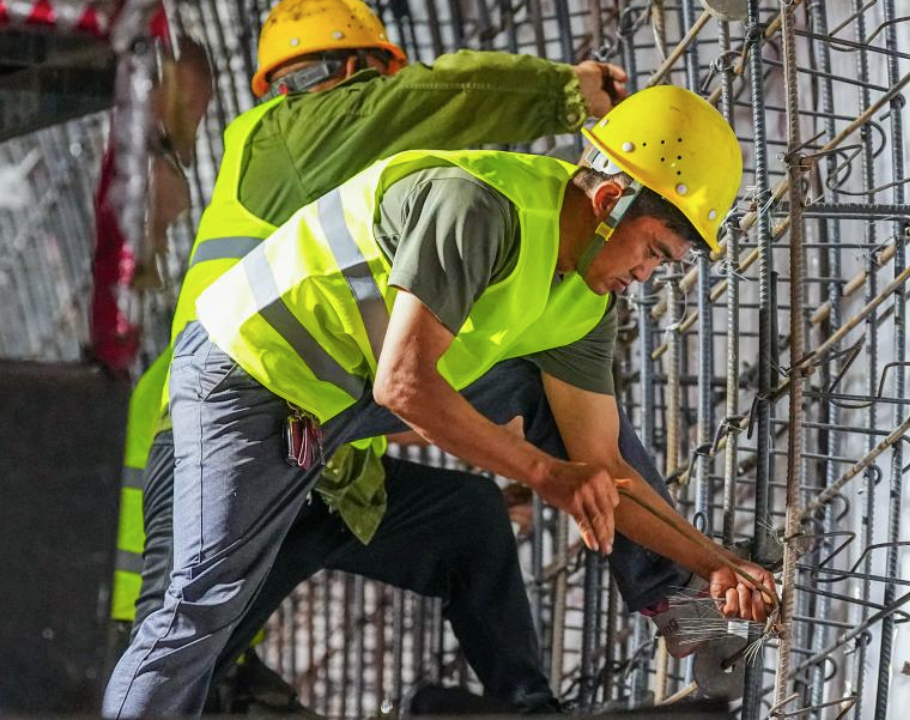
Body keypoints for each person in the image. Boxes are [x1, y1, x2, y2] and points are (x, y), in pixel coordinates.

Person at [102, 84, 777, 718]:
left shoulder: (587, 305)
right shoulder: (478, 207)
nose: (647, 275)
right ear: (607, 204)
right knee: (200, 605)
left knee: (537, 419)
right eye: (654, 251)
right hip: (246, 380)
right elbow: (405, 385)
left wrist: (712, 562)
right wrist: (542, 474)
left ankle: (678, 604)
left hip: (341, 401)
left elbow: (604, 469)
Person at [109, 0, 632, 709]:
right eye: (372, 85)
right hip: (234, 445)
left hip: (321, 459)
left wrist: (494, 443)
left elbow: (400, 373)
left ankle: (533, 707)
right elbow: (426, 102)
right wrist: (570, 93)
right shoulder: (287, 132)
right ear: (351, 73)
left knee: (469, 520)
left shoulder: (340, 196)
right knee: (188, 638)